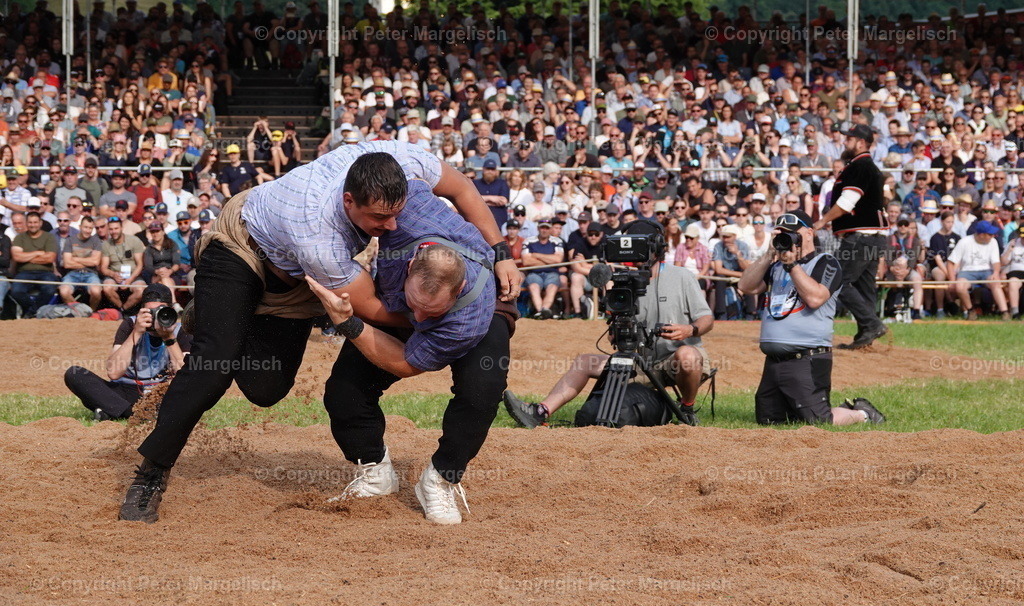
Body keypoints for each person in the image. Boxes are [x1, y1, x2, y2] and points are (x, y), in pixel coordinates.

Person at [117, 142, 521, 524]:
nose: (391, 226)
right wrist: (422, 325)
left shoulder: (399, 164)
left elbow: (463, 187)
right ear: (349, 200)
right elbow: (369, 308)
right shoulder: (320, 239)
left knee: (265, 388)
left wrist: (501, 252)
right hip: (245, 245)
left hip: (294, 281)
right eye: (380, 219)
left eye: (396, 214)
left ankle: (231, 312)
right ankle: (151, 473)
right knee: (215, 362)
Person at [308, 181, 513, 525]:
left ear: (457, 289)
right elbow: (444, 181)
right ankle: (375, 471)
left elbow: (406, 363)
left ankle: (441, 479)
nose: (420, 319)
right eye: (418, 305)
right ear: (408, 267)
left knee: (482, 391)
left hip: (476, 312)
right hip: (397, 304)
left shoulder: (468, 315)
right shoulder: (404, 207)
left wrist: (348, 323)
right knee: (344, 393)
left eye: (429, 312)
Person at [504, 221, 714, 427]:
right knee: (585, 361)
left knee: (687, 355)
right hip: (639, 362)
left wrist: (689, 330)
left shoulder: (682, 277)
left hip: (674, 360)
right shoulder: (623, 280)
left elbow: (707, 318)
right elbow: (614, 335)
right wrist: (616, 328)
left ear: (656, 246)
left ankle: (687, 408)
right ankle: (540, 412)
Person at [737, 210, 886, 425]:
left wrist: (791, 265)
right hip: (774, 363)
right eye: (781, 233)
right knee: (769, 421)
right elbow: (745, 286)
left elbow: (815, 298)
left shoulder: (826, 263)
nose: (786, 238)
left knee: (818, 419)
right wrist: (769, 254)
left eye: (791, 233)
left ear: (808, 233)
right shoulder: (776, 266)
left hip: (806, 359)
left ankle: (861, 414)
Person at [64, 284, 191, 421]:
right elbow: (114, 372)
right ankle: (134, 413)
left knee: (191, 387)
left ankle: (112, 411)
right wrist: (136, 333)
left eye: (161, 311)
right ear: (142, 311)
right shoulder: (130, 325)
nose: (155, 316)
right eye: (150, 311)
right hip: (127, 389)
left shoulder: (180, 330)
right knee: (74, 374)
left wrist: (169, 338)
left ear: (170, 310)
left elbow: (185, 376)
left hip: (161, 391)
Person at [812, 124, 889, 349]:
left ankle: (872, 324)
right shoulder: (869, 167)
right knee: (865, 287)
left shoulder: (860, 166)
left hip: (860, 236)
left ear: (861, 143)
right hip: (874, 237)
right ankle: (866, 334)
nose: (845, 142)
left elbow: (846, 203)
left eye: (850, 138)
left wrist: (821, 221)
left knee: (838, 281)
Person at [947, 220, 1010, 320]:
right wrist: (951, 280)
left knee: (995, 283)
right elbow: (950, 262)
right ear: (981, 235)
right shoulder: (964, 242)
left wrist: (996, 272)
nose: (992, 236)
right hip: (967, 272)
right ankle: (971, 311)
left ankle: (1005, 312)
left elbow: (996, 262)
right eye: (990, 234)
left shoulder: (993, 242)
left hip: (986, 271)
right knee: (960, 287)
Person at [10, 211, 60, 317]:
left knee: (50, 289)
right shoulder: (19, 238)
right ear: (26, 223)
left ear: (40, 223)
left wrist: (27, 257)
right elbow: (17, 257)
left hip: (45, 272)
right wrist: (37, 253)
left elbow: (50, 258)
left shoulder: (49, 237)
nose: (33, 225)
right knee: (16, 291)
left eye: (35, 222)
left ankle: (30, 313)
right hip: (24, 272)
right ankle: (34, 311)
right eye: (30, 222)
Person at [58, 215, 103, 309]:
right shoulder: (70, 240)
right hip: (72, 273)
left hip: (90, 273)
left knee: (96, 292)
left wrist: (75, 258)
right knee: (64, 291)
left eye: (90, 228)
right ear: (80, 227)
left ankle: (92, 312)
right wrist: (88, 261)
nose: (88, 230)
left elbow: (95, 262)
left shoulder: (96, 241)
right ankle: (80, 311)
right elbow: (67, 264)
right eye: (86, 227)